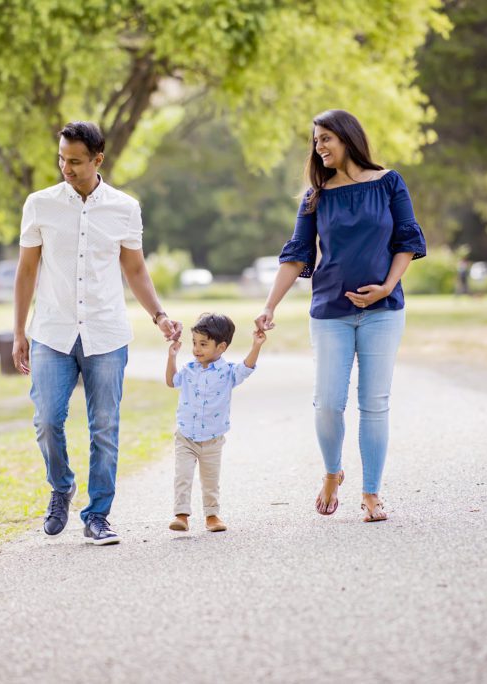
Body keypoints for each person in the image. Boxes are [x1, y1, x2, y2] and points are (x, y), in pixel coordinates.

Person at [13, 121, 183, 546]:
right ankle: (61, 487)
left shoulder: (124, 208)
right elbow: (27, 270)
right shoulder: (39, 204)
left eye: (74, 161)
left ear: (98, 160)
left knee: (104, 427)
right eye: (61, 159)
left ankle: (98, 515)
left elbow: (135, 269)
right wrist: (18, 331)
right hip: (51, 331)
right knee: (47, 420)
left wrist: (159, 315)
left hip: (106, 333)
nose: (65, 168)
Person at [254, 109, 426, 522]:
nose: (319, 147)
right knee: (328, 403)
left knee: (374, 403)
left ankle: (371, 493)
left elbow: (407, 239)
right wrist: (269, 305)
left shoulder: (389, 183)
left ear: (347, 138)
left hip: (383, 311)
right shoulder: (316, 196)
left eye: (326, 138)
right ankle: (333, 472)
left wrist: (387, 286)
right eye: (315, 141)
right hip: (330, 311)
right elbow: (297, 254)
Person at [165, 313, 266, 533]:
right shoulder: (189, 369)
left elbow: (247, 367)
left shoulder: (228, 372)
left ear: (221, 347)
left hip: (212, 439)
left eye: (203, 344)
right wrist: (172, 356)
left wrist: (256, 345)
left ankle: (212, 516)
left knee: (210, 480)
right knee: (183, 476)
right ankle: (181, 515)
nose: (196, 349)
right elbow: (171, 382)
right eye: (194, 343)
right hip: (186, 436)